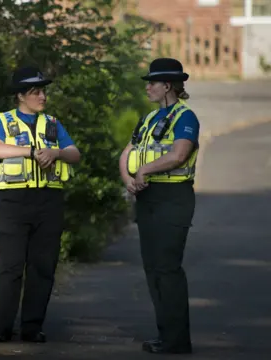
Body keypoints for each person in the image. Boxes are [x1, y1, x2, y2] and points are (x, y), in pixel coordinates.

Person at [0, 66, 81, 343]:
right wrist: (31, 152)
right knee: (9, 266)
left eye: (43, 91)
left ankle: (32, 327)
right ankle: (0, 328)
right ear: (20, 96)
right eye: (36, 92)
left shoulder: (52, 123)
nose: (42, 96)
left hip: (48, 201)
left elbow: (74, 154)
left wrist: (56, 152)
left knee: (43, 267)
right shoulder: (2, 120)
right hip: (12, 202)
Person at [119, 57, 199, 354]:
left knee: (167, 269)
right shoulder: (149, 119)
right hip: (148, 198)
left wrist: (144, 171)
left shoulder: (185, 118)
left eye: (151, 82)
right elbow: (128, 151)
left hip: (173, 198)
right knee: (153, 269)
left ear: (168, 86)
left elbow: (179, 155)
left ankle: (177, 340)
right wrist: (128, 177)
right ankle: (166, 336)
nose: (147, 87)